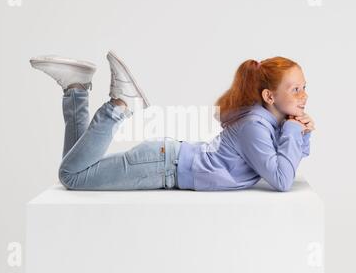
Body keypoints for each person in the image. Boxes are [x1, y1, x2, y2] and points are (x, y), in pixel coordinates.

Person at [29, 52, 314, 191]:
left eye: (303, 87)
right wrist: (292, 129)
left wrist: (300, 133)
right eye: (296, 89)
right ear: (269, 96)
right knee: (73, 177)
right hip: (162, 167)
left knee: (74, 170)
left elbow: (281, 161)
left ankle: (76, 90)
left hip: (165, 162)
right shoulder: (255, 125)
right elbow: (281, 178)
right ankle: (120, 105)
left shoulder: (262, 122)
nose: (304, 95)